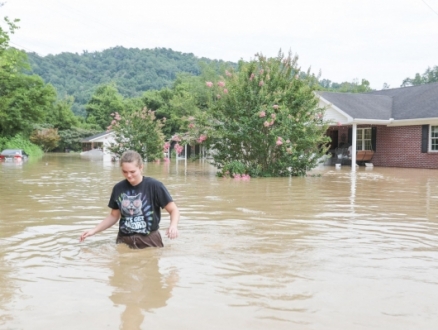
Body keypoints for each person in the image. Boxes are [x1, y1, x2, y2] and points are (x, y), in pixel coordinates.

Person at [79, 150, 179, 248]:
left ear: (141, 168)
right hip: (124, 239)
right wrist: (94, 230)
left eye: (132, 171)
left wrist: (173, 225)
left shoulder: (155, 186)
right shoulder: (118, 188)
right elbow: (113, 216)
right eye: (125, 172)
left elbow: (173, 210)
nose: (129, 175)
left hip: (149, 239)